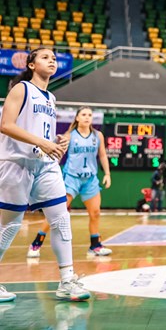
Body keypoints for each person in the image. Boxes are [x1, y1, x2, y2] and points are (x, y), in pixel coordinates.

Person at [0, 48, 90, 302]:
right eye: (45, 57)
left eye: (53, 58)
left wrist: (54, 143)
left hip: (45, 164)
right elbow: (5, 125)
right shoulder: (21, 89)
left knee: (61, 220)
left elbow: (40, 133)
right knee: (9, 226)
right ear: (31, 64)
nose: (52, 60)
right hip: (17, 163)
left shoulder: (50, 97)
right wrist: (42, 142)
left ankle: (67, 280)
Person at [28, 106, 112, 258]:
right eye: (84, 114)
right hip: (72, 177)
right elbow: (58, 155)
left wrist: (107, 173)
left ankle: (95, 245)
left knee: (95, 212)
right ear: (77, 118)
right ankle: (36, 243)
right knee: (57, 213)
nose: (87, 117)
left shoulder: (97, 135)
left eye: (90, 115)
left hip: (90, 179)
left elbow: (103, 155)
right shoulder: (70, 135)